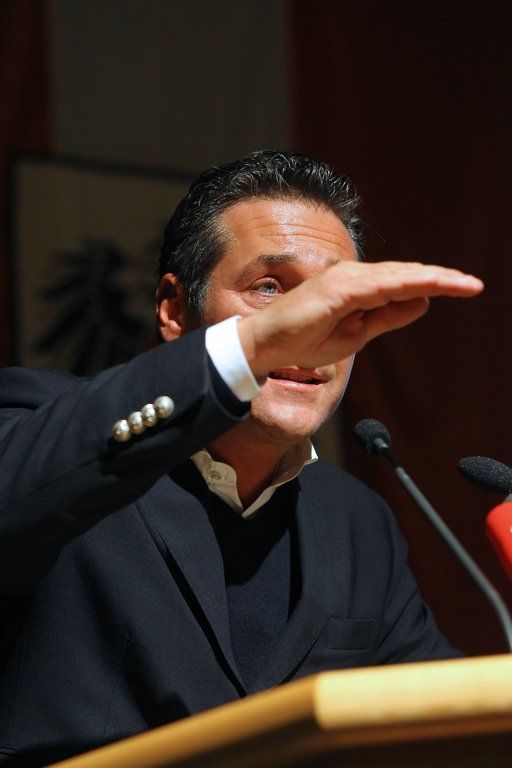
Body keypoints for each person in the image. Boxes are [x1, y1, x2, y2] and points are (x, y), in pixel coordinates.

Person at [0, 151, 483, 766]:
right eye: (270, 290)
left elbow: (446, 731)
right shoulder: (48, 424)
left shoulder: (357, 521)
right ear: (174, 309)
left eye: (336, 302)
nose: (312, 330)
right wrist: (253, 346)